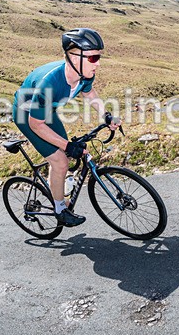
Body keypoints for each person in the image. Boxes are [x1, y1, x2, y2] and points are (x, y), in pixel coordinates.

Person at [12, 28, 120, 227]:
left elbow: (89, 94)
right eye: (93, 58)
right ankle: (60, 209)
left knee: (65, 154)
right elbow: (36, 125)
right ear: (74, 58)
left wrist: (106, 115)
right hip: (26, 115)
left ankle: (56, 186)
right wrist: (67, 146)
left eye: (99, 57)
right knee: (61, 161)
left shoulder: (84, 74)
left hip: (47, 111)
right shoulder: (49, 84)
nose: (98, 63)